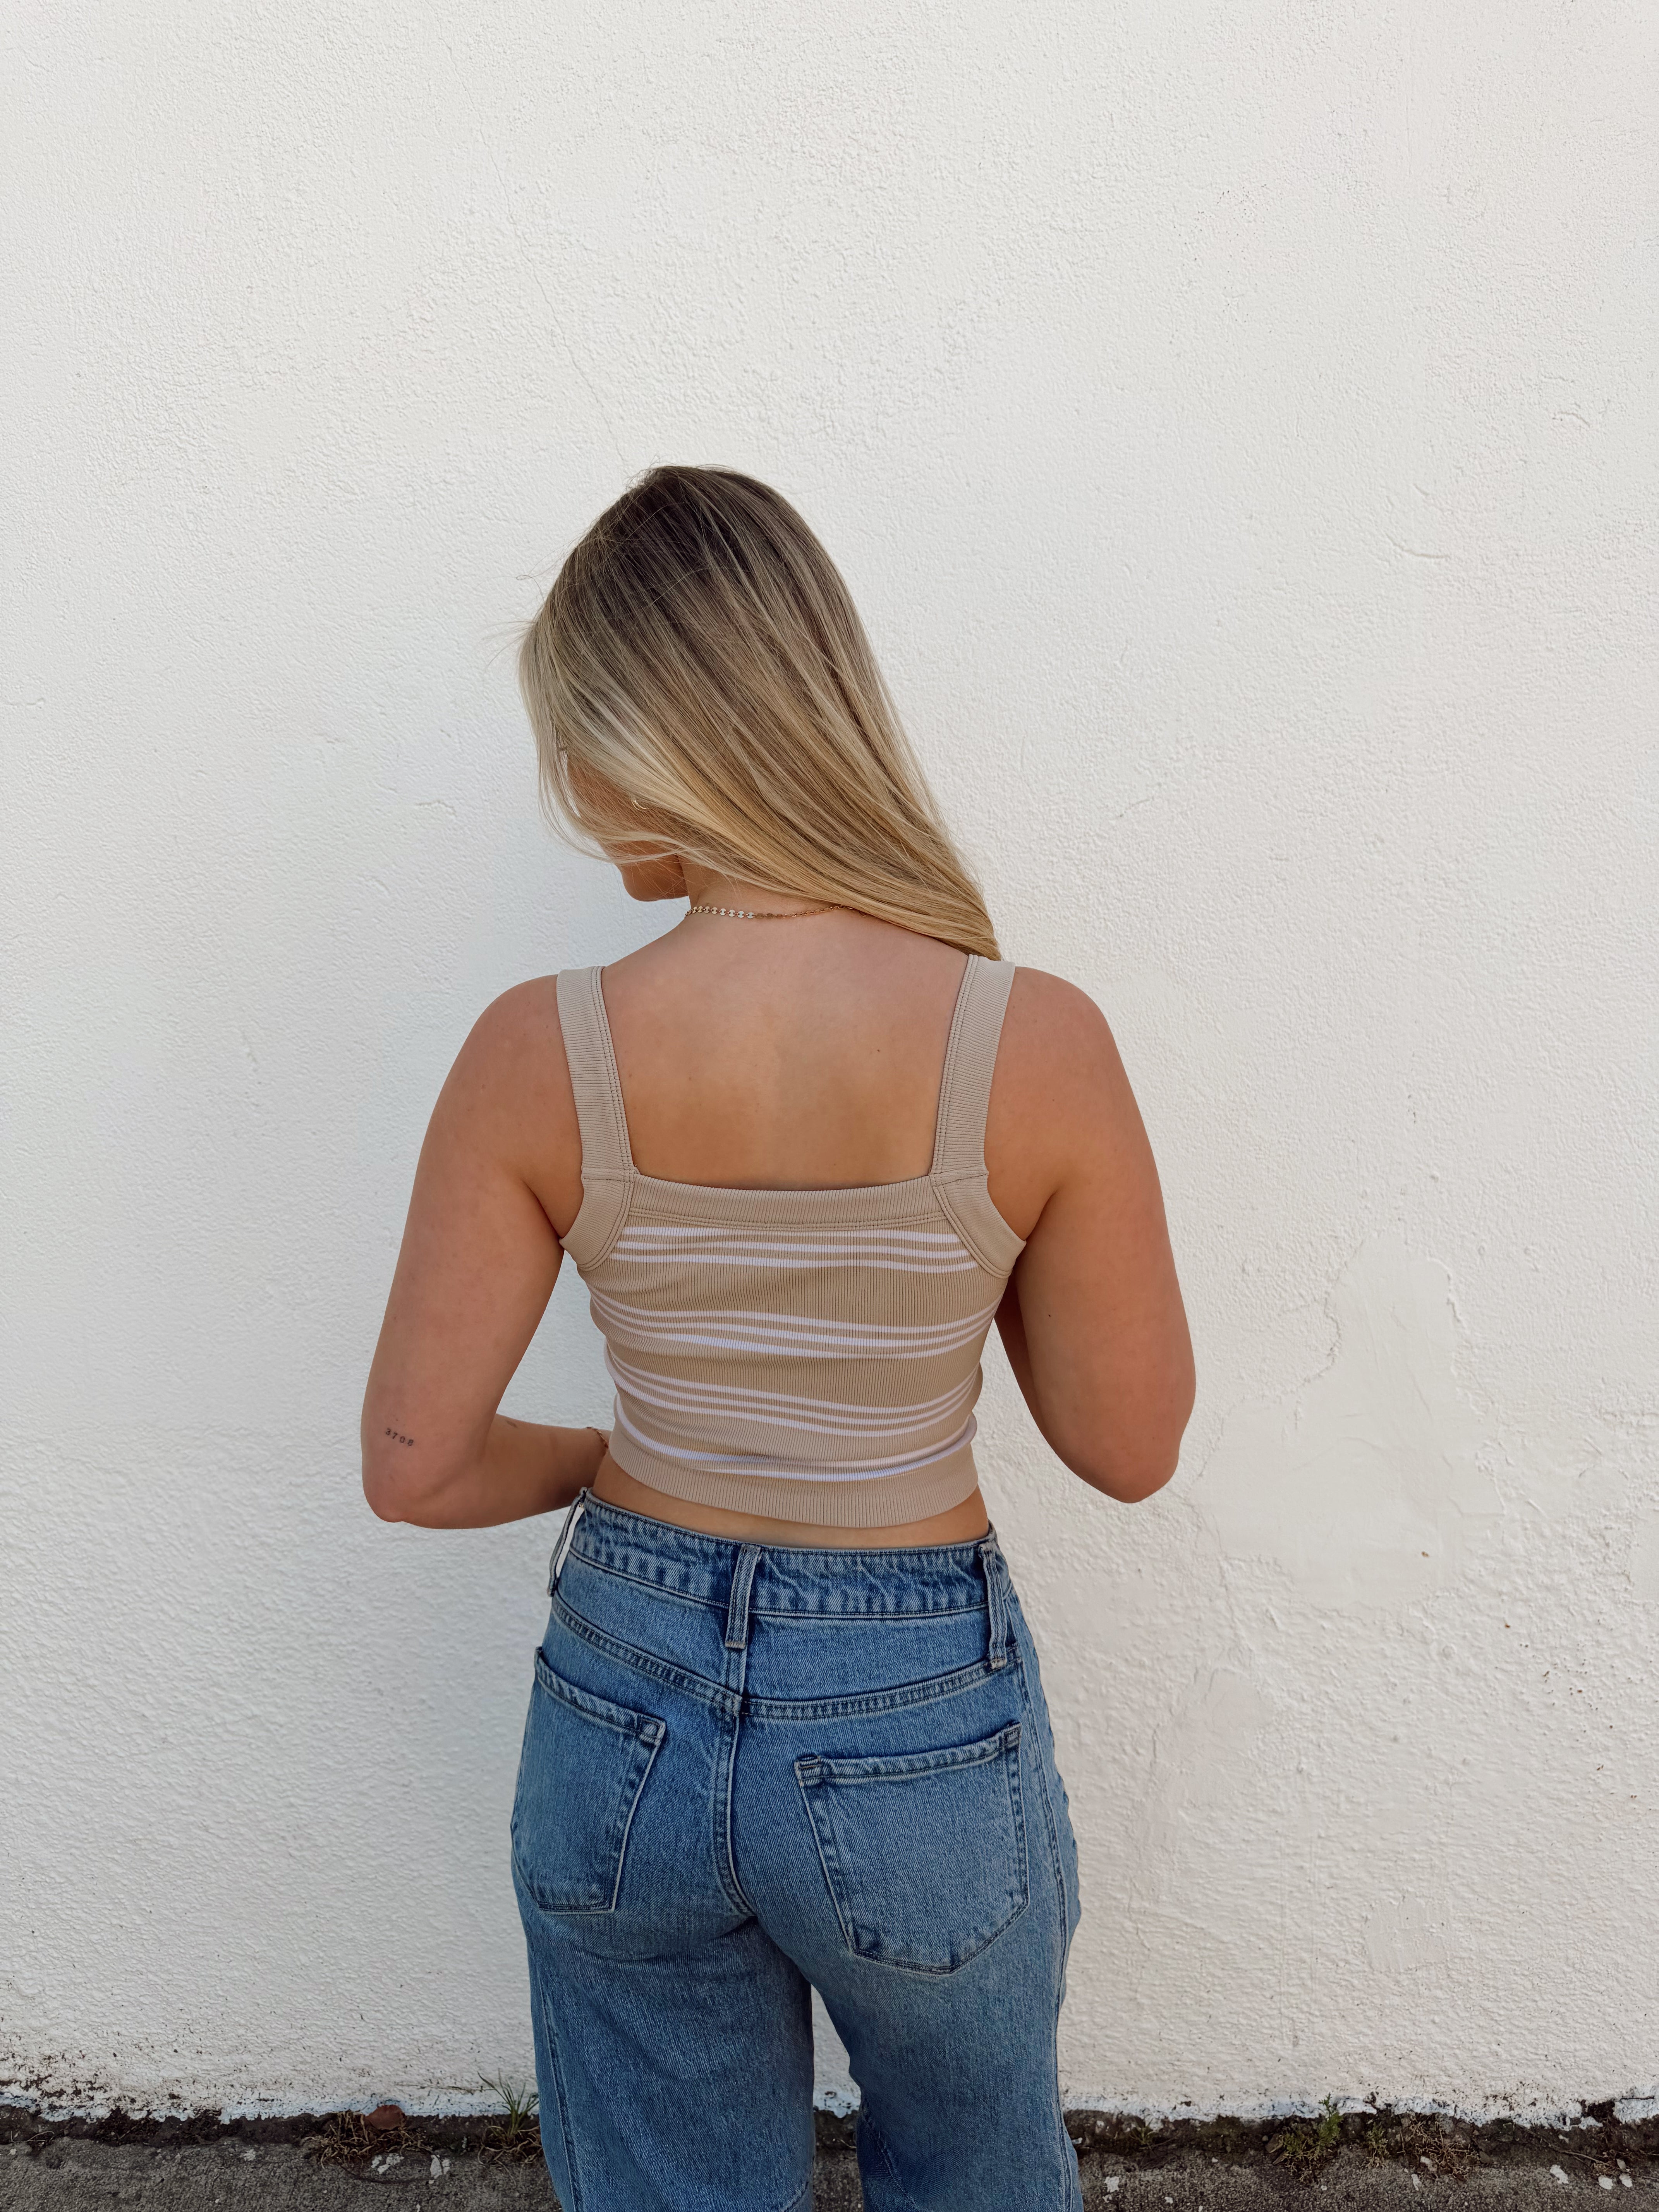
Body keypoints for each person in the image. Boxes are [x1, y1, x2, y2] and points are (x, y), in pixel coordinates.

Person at [361, 465, 1195, 2212]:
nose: (571, 795)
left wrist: (611, 1463)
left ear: (651, 737)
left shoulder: (538, 1052)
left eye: (575, 742)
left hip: (623, 1689)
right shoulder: (1030, 1043)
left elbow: (416, 1467)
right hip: (916, 1709)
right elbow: (1128, 1446)